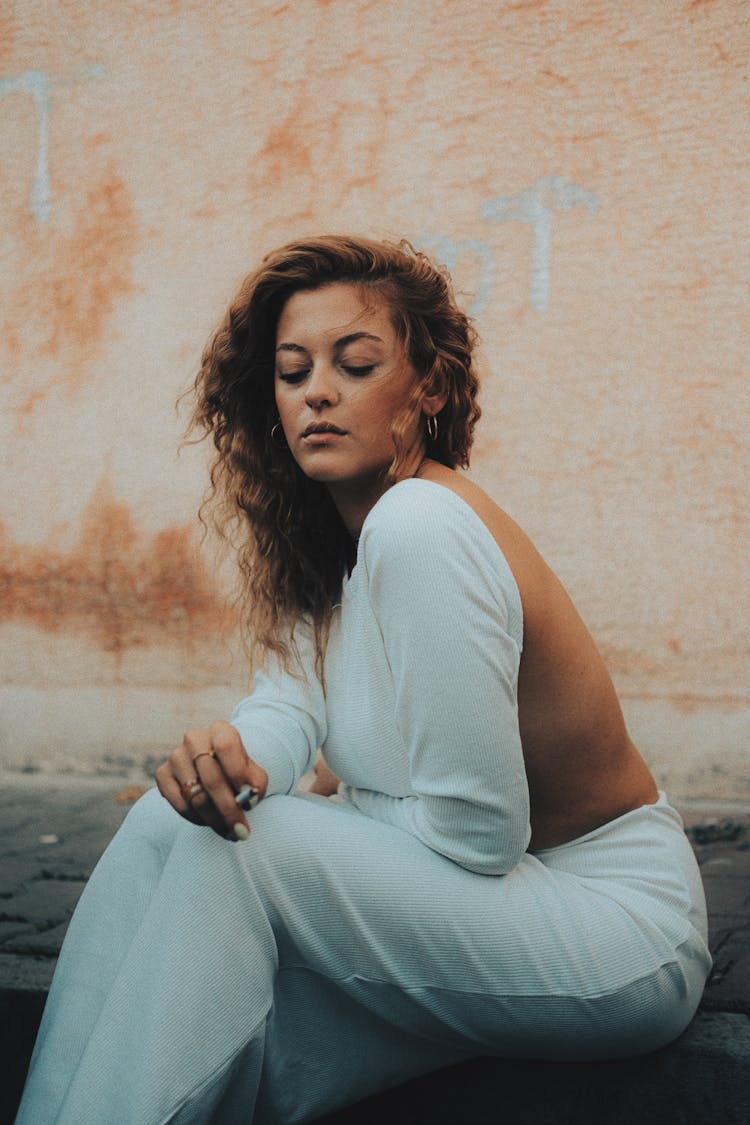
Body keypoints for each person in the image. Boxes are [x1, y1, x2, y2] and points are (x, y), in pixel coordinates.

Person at [16, 235, 711, 1124]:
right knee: (173, 820)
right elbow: (286, 702)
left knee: (249, 854)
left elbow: (481, 835)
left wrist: (325, 810)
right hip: (494, 908)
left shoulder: (419, 525)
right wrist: (236, 766)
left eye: (355, 363)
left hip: (613, 927)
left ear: (427, 386)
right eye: (293, 370)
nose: (318, 391)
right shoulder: (331, 548)